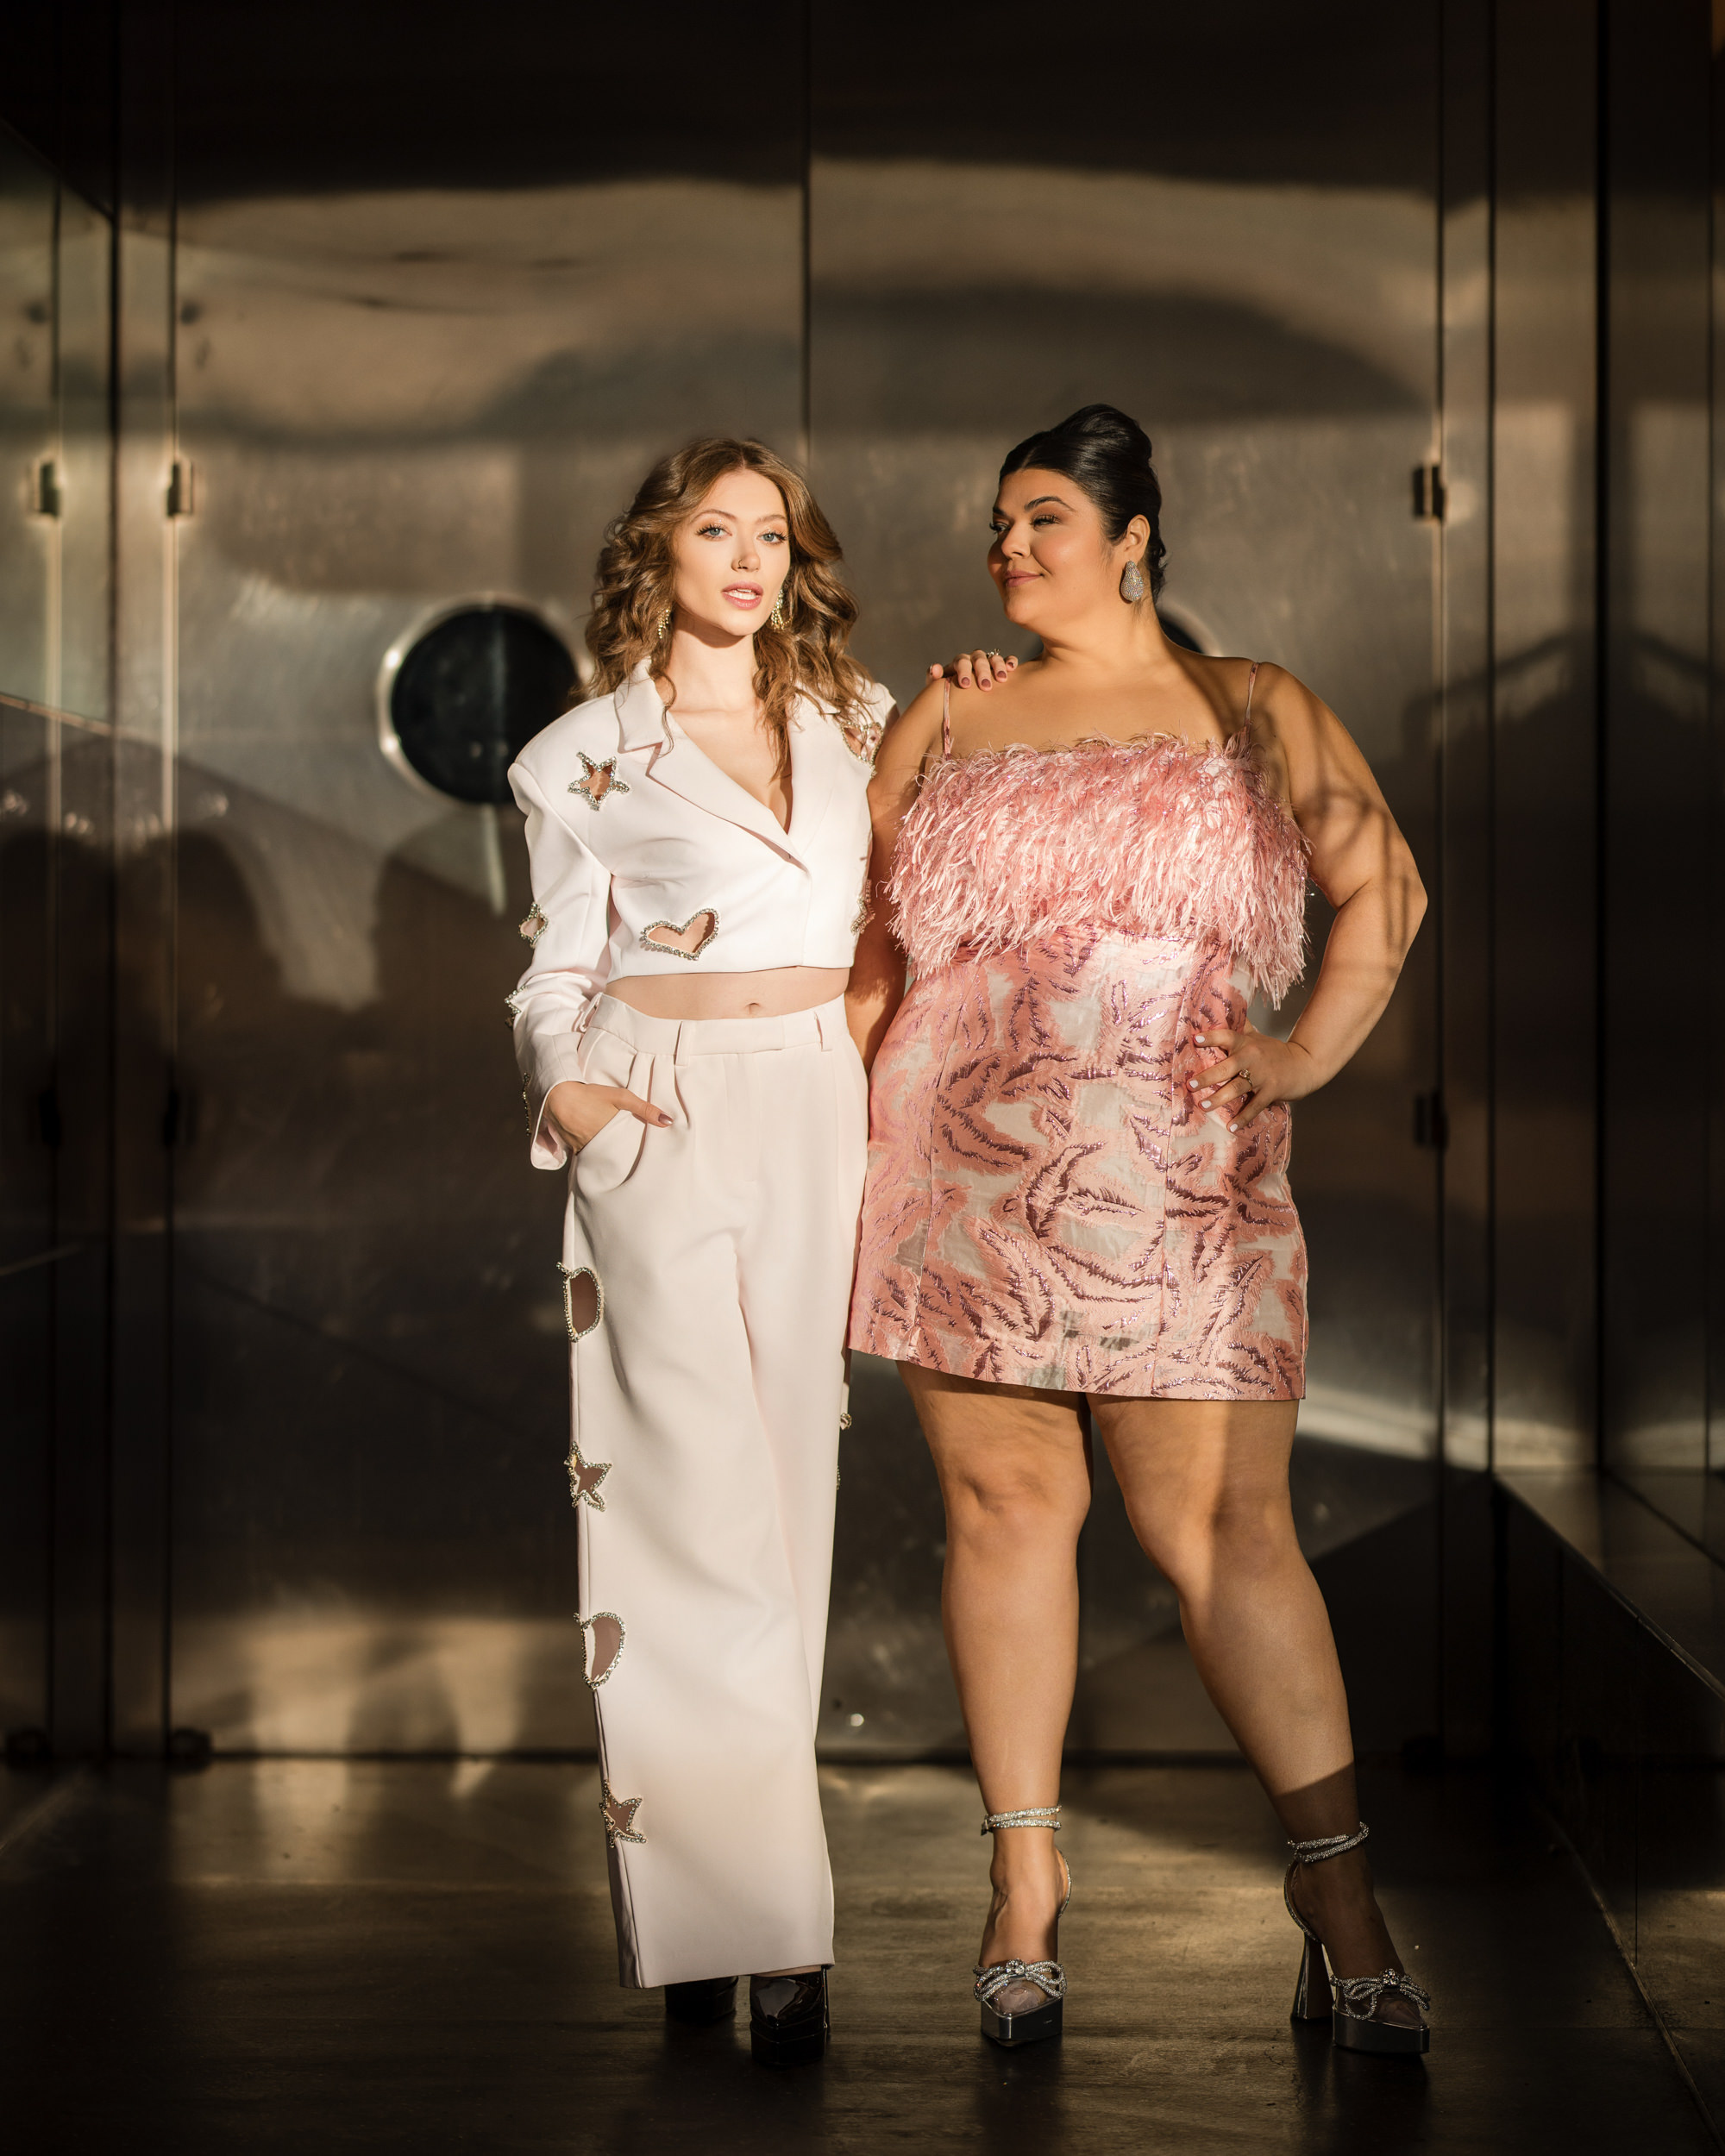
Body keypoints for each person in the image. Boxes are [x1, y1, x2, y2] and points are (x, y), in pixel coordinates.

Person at [848, 404, 1432, 2056]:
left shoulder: (1248, 705)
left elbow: (1384, 883)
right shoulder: (943, 722)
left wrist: (1305, 1051)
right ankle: (1024, 1894)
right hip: (955, 1187)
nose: (1009, 548)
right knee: (1006, 1513)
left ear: (1134, 537)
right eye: (999, 524)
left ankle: (1338, 1901)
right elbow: (873, 959)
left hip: (1183, 1194)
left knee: (1226, 1544)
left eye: (1043, 518)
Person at [507, 436, 894, 2066]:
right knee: (684, 1525)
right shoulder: (579, 758)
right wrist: (584, 1108)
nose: (748, 557)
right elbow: (551, 975)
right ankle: (716, 1938)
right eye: (714, 529)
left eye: (772, 533)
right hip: (654, 1114)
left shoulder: (865, 728)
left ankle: (771, 1926)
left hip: (814, 1112)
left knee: (788, 1518)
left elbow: (902, 916)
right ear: (655, 552)